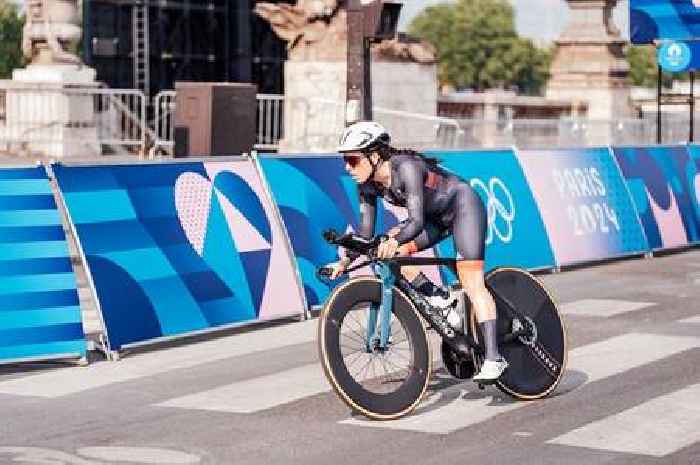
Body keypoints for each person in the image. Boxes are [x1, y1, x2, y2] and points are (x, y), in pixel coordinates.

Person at [325, 121, 508, 383]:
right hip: (434, 219)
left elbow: (416, 222)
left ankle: (494, 358)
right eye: (345, 160)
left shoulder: (406, 167)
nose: (347, 167)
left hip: (463, 208)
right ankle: (438, 297)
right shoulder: (367, 185)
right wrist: (343, 262)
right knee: (382, 250)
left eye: (353, 160)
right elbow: (365, 235)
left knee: (471, 282)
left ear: (375, 155)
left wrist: (394, 240)